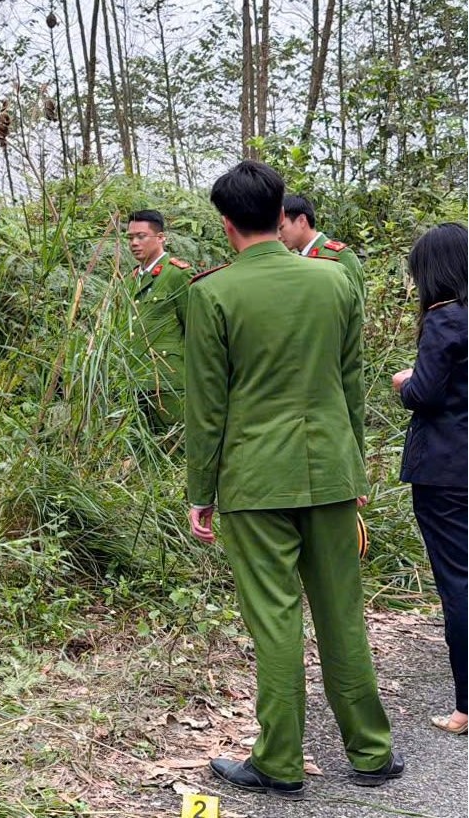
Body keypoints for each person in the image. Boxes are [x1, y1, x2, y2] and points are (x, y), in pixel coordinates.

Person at [185, 160, 401, 795]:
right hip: (333, 472)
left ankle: (279, 763)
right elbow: (352, 382)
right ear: (281, 214)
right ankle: (372, 753)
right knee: (343, 612)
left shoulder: (213, 292)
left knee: (275, 620)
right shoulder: (335, 282)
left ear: (225, 223)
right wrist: (355, 469)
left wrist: (202, 492)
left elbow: (208, 405)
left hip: (254, 481)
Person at [392, 222, 467, 736]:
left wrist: (404, 381)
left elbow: (425, 393)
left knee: (458, 580)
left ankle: (466, 704)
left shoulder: (445, 320)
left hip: (446, 469)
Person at [124, 209, 196, 430]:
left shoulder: (177, 275)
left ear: (161, 237)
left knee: (176, 450)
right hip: (137, 381)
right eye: (130, 237)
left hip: (170, 382)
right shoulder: (130, 280)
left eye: (141, 236)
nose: (134, 243)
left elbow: (196, 330)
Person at [279, 194, 365, 299]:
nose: (278, 235)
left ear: (302, 221)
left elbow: (355, 305)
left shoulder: (339, 255)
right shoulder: (293, 259)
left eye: (281, 228)